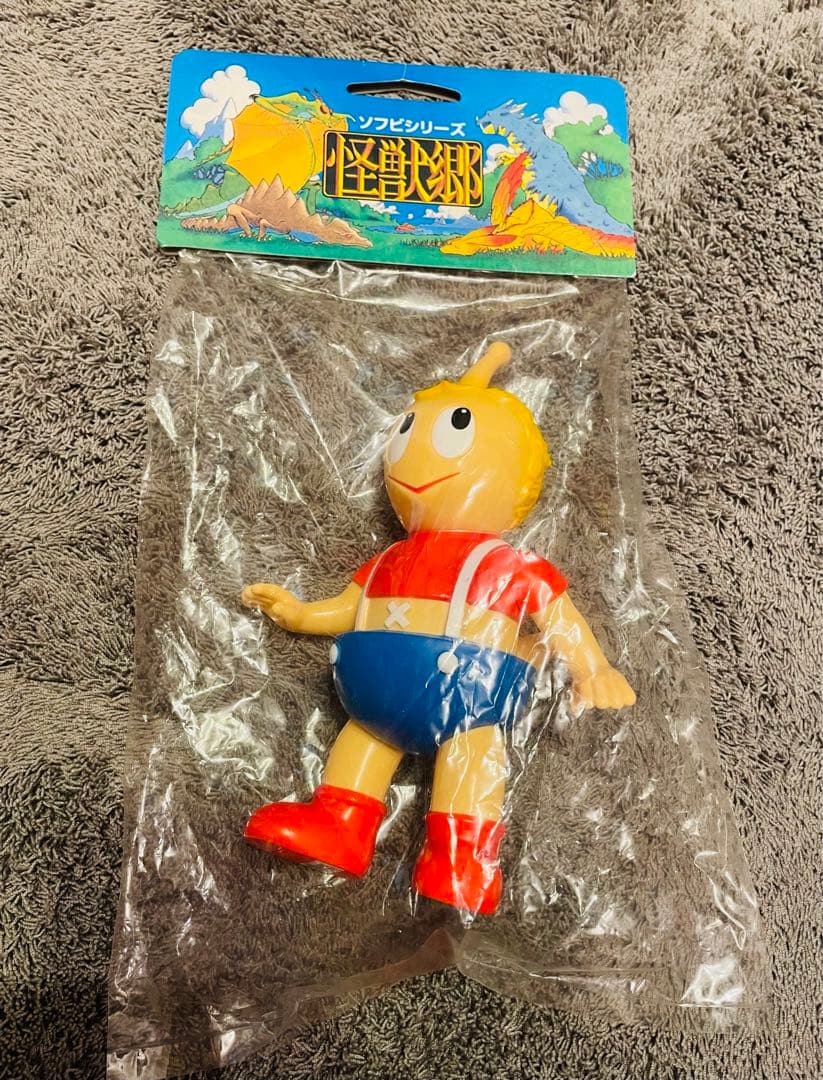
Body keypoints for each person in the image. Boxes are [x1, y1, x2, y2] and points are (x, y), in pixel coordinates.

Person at [242, 341, 635, 914]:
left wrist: (592, 668)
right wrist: (300, 614)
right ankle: (340, 823)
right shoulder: (388, 559)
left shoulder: (507, 564)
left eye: (454, 429)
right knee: (361, 742)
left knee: (471, 759)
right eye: (407, 432)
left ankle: (460, 858)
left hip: (470, 706)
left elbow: (558, 619)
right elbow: (349, 608)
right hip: (374, 706)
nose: (416, 456)